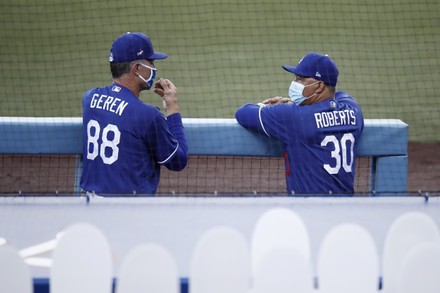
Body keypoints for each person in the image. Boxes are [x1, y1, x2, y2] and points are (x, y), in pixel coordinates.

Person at [235, 52, 364, 194]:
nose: (295, 83)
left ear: (319, 86)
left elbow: (243, 113)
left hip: (308, 209)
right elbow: (339, 95)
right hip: (348, 207)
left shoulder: (293, 116)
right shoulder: (353, 111)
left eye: (300, 79)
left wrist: (267, 106)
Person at [80, 32, 188, 196]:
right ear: (137, 68)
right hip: (131, 211)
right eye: (150, 62)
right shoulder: (148, 115)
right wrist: (172, 107)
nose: (154, 68)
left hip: (90, 204)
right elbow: (177, 161)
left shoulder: (89, 99)